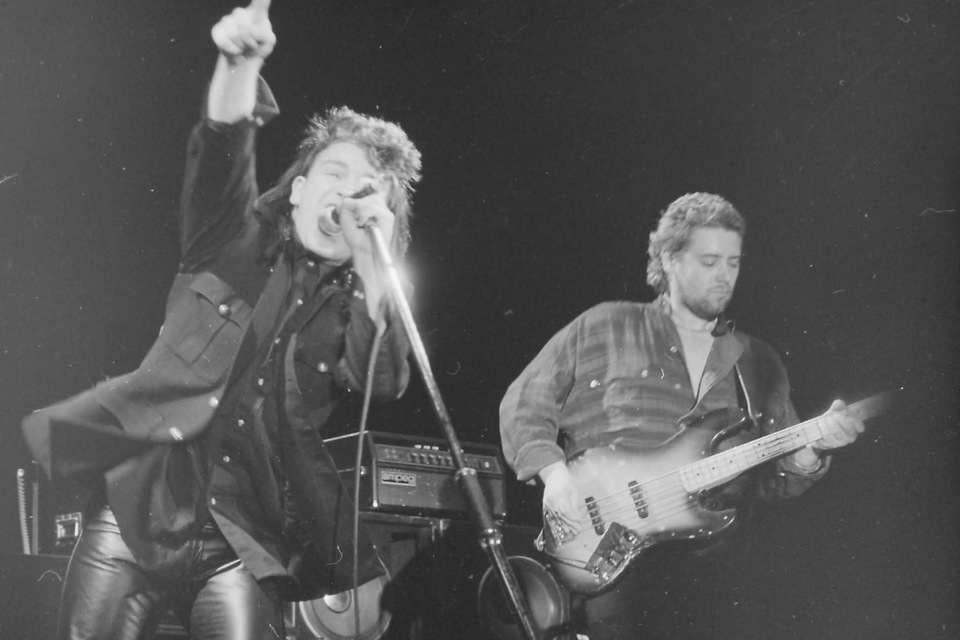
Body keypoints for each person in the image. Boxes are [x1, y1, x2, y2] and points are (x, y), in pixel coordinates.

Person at [21, 1, 421, 638]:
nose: (347, 192)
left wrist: (377, 262)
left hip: (243, 543)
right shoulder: (232, 241)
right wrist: (240, 64)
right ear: (300, 190)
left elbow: (387, 379)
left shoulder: (358, 309)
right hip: (139, 514)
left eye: (367, 187)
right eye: (335, 173)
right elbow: (222, 150)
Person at [499, 192, 865, 639]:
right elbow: (525, 402)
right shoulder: (605, 326)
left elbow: (772, 480)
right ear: (670, 260)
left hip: (712, 579)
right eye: (709, 262)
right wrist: (555, 476)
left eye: (733, 262)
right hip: (607, 564)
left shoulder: (758, 363)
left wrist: (810, 451)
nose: (725, 276)